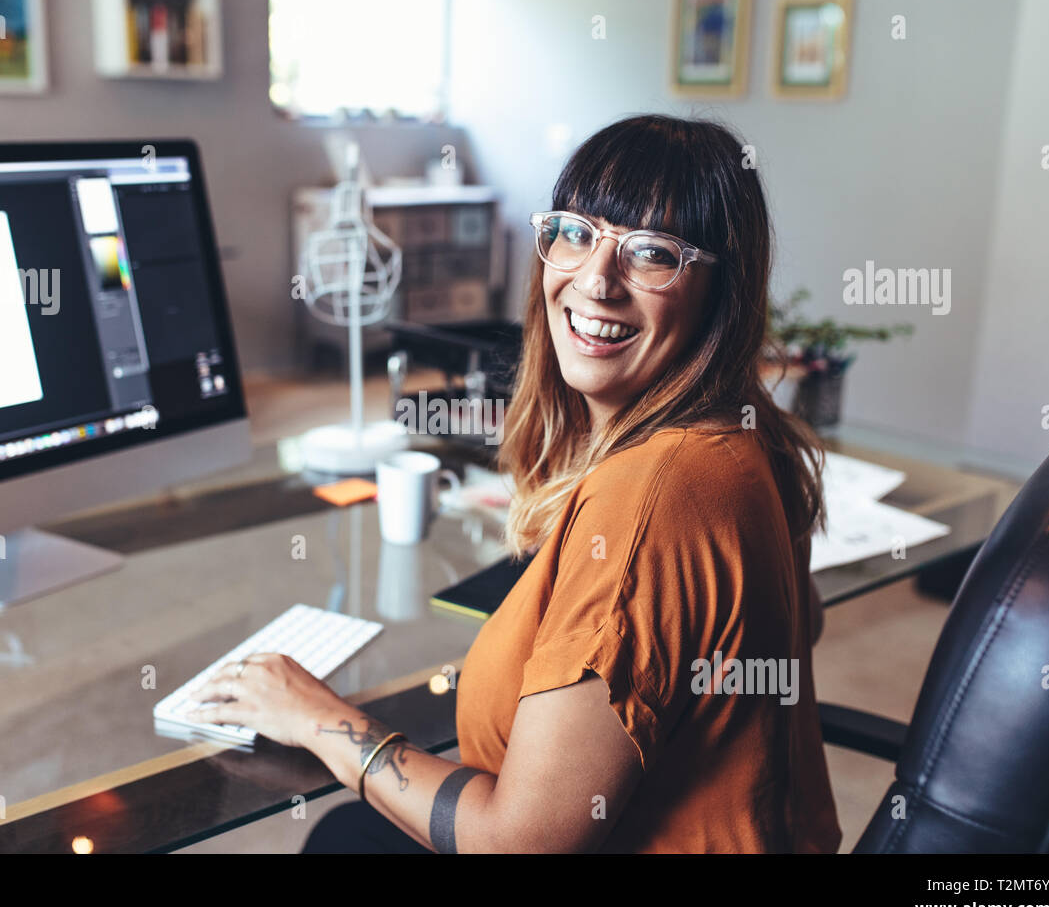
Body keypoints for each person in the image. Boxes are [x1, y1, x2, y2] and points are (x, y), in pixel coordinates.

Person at [187, 114, 842, 853]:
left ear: (721, 292)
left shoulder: (651, 493)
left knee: (342, 837)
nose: (597, 279)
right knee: (354, 834)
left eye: (653, 252)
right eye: (576, 231)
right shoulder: (746, 437)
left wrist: (322, 722)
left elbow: (519, 842)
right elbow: (800, 623)